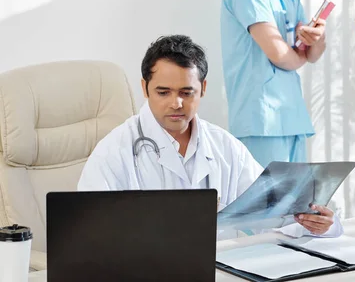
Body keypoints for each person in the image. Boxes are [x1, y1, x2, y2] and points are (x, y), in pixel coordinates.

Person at [78, 35, 340, 238]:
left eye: (186, 92)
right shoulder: (114, 152)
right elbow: (90, 235)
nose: (176, 103)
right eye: (163, 92)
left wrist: (316, 223)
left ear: (202, 89)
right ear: (144, 88)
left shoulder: (224, 147)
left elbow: (275, 212)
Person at [220, 0, 327, 168]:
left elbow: (312, 53)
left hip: (290, 117)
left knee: (295, 210)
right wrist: (298, 55)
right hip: (261, 121)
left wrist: (316, 38)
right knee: (264, 209)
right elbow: (279, 53)